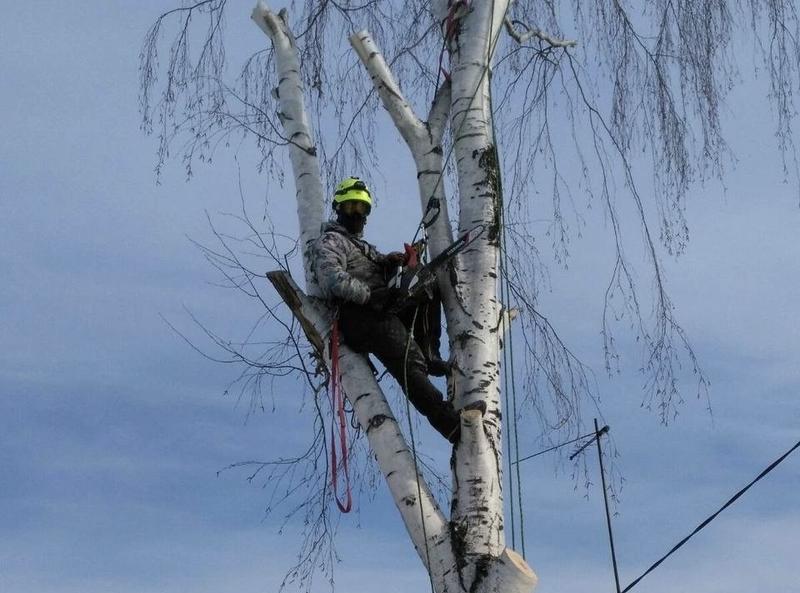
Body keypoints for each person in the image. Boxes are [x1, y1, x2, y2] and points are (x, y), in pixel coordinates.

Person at [311, 177, 462, 442]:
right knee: (407, 359)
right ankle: (448, 422)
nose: (357, 215)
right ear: (338, 208)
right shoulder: (331, 241)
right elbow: (333, 280)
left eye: (362, 209)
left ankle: (430, 351)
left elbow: (372, 267)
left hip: (381, 307)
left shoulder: (361, 246)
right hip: (360, 315)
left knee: (426, 286)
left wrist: (391, 262)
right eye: (351, 208)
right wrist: (371, 296)